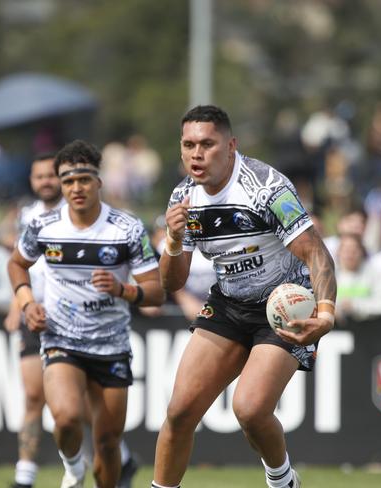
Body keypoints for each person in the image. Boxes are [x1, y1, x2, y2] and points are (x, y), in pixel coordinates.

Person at [152, 105, 337, 488]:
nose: (196, 154)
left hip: (283, 304)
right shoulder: (183, 197)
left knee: (250, 410)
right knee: (180, 412)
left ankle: (282, 479)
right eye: (188, 145)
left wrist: (326, 313)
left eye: (207, 144)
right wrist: (172, 240)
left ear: (231, 146)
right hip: (228, 303)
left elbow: (316, 252)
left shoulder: (266, 187)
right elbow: (172, 283)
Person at [8, 140, 164, 488]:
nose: (75, 188)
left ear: (99, 181)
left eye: (83, 179)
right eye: (67, 181)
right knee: (66, 419)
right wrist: (27, 303)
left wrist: (122, 289)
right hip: (61, 338)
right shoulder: (44, 225)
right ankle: (74, 467)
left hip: (111, 345)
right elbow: (17, 264)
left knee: (108, 444)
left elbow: (156, 290)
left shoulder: (127, 228)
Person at [3, 152, 65, 488]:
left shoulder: (76, 214)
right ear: (31, 180)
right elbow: (18, 262)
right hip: (33, 313)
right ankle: (24, 475)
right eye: (39, 176)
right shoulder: (26, 216)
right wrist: (20, 303)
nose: (45, 182)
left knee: (74, 404)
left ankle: (115, 459)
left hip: (71, 317)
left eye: (51, 176)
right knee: (32, 395)